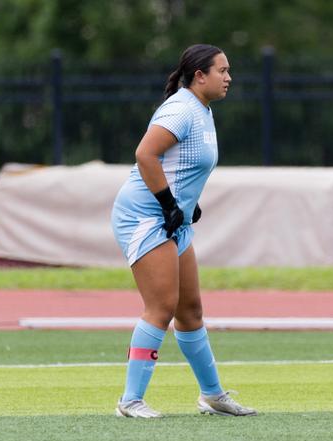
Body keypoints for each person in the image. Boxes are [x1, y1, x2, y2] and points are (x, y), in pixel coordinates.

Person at [110, 44, 257, 418]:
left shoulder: (203, 110)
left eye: (229, 70)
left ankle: (212, 396)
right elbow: (145, 154)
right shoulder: (180, 109)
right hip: (145, 216)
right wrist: (168, 203)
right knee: (161, 307)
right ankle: (130, 401)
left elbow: (182, 165)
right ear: (199, 76)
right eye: (222, 70)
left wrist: (187, 203)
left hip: (172, 217)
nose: (229, 77)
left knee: (190, 311)